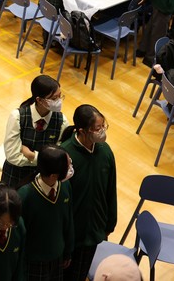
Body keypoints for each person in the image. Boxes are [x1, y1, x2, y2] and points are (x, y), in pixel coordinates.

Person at [58, 104, 116, 281]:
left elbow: (110, 190)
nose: (102, 131)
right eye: (97, 128)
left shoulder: (105, 152)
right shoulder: (66, 155)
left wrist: (109, 223)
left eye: (103, 126)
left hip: (93, 232)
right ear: (82, 131)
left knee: (80, 275)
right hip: (71, 233)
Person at [17, 146, 74, 281]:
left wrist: (68, 252)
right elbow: (18, 234)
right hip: (34, 262)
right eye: (67, 166)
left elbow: (68, 222)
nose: (70, 168)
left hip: (58, 258)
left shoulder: (65, 187)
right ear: (53, 175)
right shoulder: (25, 195)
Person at [1, 74, 64, 189]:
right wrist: (44, 161)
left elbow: (57, 160)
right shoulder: (18, 116)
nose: (59, 101)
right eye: (54, 98)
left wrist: (32, 155)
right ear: (39, 100)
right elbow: (13, 156)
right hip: (15, 176)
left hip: (42, 181)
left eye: (60, 96)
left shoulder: (62, 121)